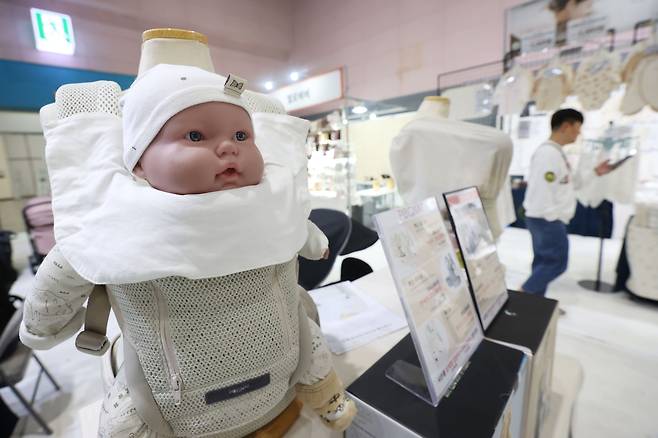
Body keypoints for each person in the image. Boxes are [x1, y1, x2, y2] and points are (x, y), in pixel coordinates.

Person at [20, 64, 355, 437]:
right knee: (123, 419)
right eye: (195, 135)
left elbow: (291, 223)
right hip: (172, 403)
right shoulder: (119, 220)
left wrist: (314, 241)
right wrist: (42, 321)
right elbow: (65, 269)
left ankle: (325, 393)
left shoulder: (268, 199)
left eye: (242, 135)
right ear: (140, 163)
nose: (229, 146)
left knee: (310, 340)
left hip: (281, 370)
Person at [521, 109, 614, 296]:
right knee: (556, 264)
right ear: (566, 126)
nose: (579, 133)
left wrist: (596, 172)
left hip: (547, 218)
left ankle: (534, 302)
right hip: (547, 220)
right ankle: (524, 293)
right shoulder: (548, 154)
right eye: (577, 128)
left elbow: (571, 184)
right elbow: (541, 191)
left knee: (543, 262)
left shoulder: (557, 154)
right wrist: (552, 218)